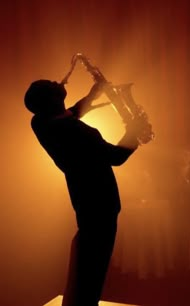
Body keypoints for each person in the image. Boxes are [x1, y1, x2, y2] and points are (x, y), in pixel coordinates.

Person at [24, 79, 140, 306]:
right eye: (51, 84)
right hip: (101, 202)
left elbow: (69, 113)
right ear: (52, 100)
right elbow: (117, 157)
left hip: (84, 198)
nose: (57, 81)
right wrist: (134, 132)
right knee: (94, 265)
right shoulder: (76, 132)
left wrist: (92, 95)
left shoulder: (40, 122)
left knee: (87, 257)